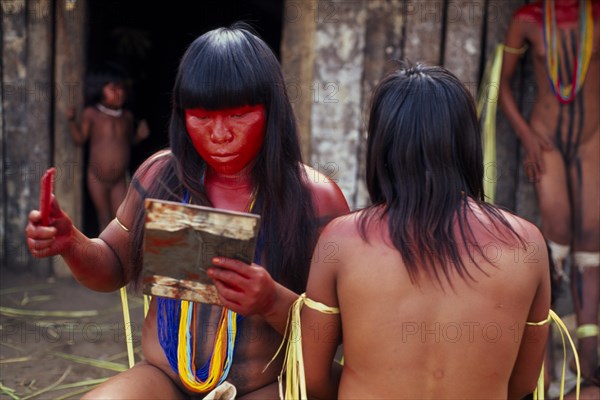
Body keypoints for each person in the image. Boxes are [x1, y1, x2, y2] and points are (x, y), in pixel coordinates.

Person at [26, 23, 349, 398]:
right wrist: (71, 244)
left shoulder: (316, 199)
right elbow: (113, 264)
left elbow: (342, 333)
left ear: (271, 112)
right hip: (164, 381)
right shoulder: (162, 174)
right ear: (182, 116)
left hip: (265, 386)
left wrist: (273, 302)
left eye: (238, 115)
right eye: (201, 116)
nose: (219, 134)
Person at [266, 64, 551, 399]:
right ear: (468, 145)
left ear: (381, 147)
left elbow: (311, 379)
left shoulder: (340, 241)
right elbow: (522, 385)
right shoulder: (527, 244)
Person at [499, 0, 599, 386]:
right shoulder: (528, 20)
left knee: (592, 236)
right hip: (547, 142)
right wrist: (525, 135)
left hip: (592, 141)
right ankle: (541, 357)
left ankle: (587, 360)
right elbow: (501, 84)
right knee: (555, 233)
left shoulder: (596, 16)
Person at [68, 62, 150, 230]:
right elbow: (80, 139)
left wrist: (139, 137)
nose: (119, 93)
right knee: (104, 219)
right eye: (113, 89)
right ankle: (105, 255)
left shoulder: (126, 117)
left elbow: (127, 143)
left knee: (123, 220)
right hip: (96, 178)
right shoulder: (91, 114)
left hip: (119, 179)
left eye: (121, 89)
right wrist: (71, 121)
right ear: (99, 90)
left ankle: (121, 255)